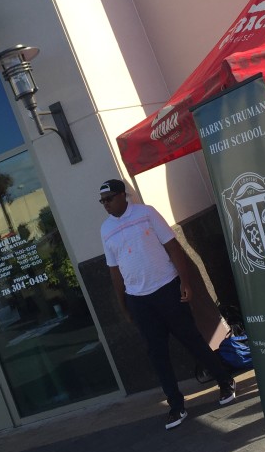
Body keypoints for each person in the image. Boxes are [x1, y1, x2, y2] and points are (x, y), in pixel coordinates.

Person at [99, 178, 237, 429]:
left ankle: (224, 381)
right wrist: (124, 305)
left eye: (109, 199)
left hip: (167, 288)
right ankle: (176, 405)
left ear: (122, 196)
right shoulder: (105, 229)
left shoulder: (146, 213)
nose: (105, 204)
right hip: (138, 299)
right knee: (157, 354)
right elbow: (114, 271)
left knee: (191, 339)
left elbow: (173, 247)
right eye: (102, 202)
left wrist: (185, 281)